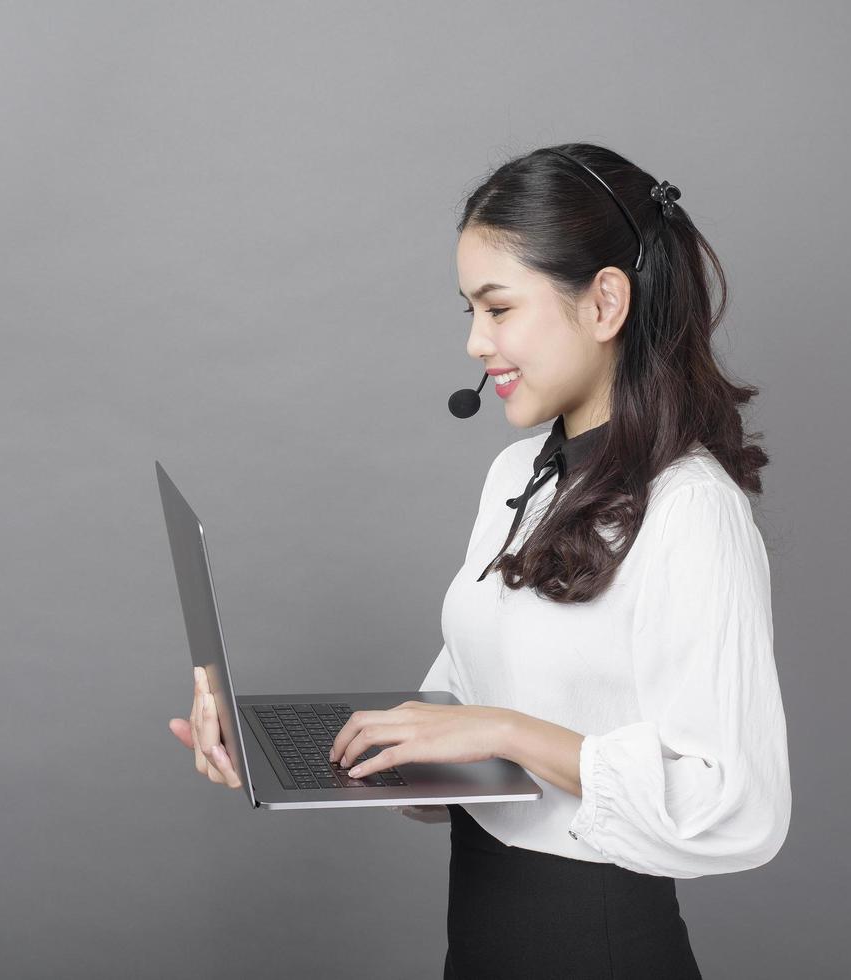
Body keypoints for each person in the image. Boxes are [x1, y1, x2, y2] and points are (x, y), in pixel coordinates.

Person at [169, 141, 791, 979]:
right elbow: (458, 729)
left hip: (597, 945)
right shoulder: (514, 479)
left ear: (606, 302)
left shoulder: (691, 510)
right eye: (468, 310)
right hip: (484, 932)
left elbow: (737, 806)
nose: (474, 342)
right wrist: (284, 753)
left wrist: (505, 727)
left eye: (498, 308)